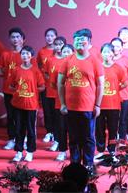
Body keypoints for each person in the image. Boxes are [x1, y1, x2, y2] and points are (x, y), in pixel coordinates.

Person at [58, 28, 105, 170]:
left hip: (88, 107)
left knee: (88, 138)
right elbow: (60, 83)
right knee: (73, 137)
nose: (79, 42)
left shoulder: (95, 61)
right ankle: (75, 165)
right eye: (76, 39)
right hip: (71, 107)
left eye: (82, 39)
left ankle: (88, 165)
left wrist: (97, 105)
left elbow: (100, 84)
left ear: (89, 42)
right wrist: (63, 104)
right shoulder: (67, 60)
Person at [9, 45, 45, 162]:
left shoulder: (36, 71)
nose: (25, 56)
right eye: (23, 53)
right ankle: (19, 152)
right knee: (18, 129)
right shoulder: (16, 70)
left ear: (31, 56)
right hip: (17, 104)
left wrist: (32, 90)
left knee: (30, 129)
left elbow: (42, 87)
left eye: (27, 54)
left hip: (31, 105)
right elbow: (11, 86)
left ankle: (29, 152)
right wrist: (18, 91)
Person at [95, 43, 127, 158]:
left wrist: (115, 89)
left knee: (113, 129)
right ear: (101, 54)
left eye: (109, 52)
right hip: (99, 104)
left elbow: (125, 83)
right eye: (104, 52)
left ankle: (112, 150)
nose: (106, 54)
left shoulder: (119, 68)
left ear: (113, 54)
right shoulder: (97, 67)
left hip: (113, 104)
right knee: (99, 129)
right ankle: (100, 150)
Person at [0, 27, 27, 150]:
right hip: (8, 90)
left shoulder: (26, 54)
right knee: (11, 116)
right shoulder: (5, 54)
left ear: (22, 39)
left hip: (23, 92)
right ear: (9, 39)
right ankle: (11, 139)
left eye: (17, 37)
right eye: (12, 37)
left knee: (22, 117)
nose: (15, 39)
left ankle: (22, 138)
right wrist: (9, 72)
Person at [45, 36, 67, 153]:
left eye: (60, 44)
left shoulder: (70, 61)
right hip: (53, 94)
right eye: (56, 44)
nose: (58, 47)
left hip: (69, 97)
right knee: (56, 119)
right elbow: (49, 77)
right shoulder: (50, 60)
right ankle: (57, 140)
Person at [38, 27, 59, 145]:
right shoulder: (41, 52)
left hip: (57, 88)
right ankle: (49, 132)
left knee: (57, 111)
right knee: (47, 110)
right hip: (45, 86)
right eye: (47, 36)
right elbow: (39, 66)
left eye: (52, 36)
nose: (49, 38)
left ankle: (57, 132)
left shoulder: (60, 52)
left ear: (56, 37)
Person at [54, 43, 74, 162]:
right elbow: (54, 84)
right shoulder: (58, 67)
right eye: (64, 51)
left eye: (68, 51)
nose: (66, 54)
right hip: (60, 102)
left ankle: (74, 151)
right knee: (61, 128)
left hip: (75, 104)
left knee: (73, 129)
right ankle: (62, 151)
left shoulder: (77, 66)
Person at [112, 36, 128, 145]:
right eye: (113, 46)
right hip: (110, 94)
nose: (115, 48)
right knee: (112, 120)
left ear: (121, 48)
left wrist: (124, 81)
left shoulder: (127, 60)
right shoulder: (107, 59)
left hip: (124, 93)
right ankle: (112, 141)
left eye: (118, 46)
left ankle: (121, 141)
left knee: (123, 118)